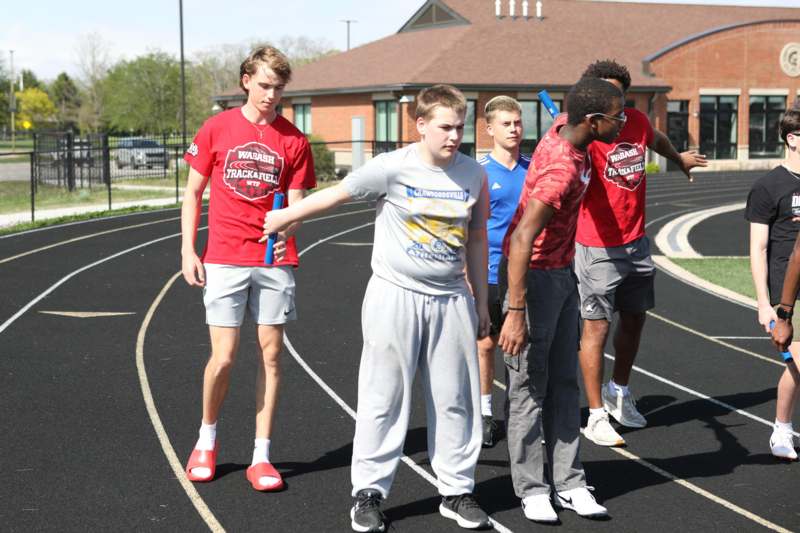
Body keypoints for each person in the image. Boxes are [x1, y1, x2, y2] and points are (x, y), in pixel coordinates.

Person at [263, 84, 492, 532]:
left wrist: (480, 300)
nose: (454, 136)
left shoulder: (473, 174)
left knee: (455, 400)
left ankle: (456, 490)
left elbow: (478, 237)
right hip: (395, 295)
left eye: (460, 128)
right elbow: (338, 193)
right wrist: (287, 216)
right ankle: (368, 493)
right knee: (383, 397)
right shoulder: (391, 167)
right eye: (445, 127)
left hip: (450, 298)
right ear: (421, 125)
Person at [180, 46, 316, 491]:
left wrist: (290, 223)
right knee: (223, 358)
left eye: (278, 88)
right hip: (224, 257)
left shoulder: (294, 140)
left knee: (271, 356)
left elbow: (297, 203)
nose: (271, 95)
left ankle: (261, 455)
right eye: (263, 86)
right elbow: (192, 193)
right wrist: (188, 250)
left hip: (274, 259)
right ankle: (206, 439)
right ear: (246, 81)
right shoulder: (217, 128)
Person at [498, 77, 622, 523]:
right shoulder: (561, 170)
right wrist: (516, 312)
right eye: (617, 117)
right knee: (530, 389)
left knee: (566, 384)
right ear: (593, 121)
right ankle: (533, 489)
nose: (622, 123)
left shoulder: (569, 129)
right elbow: (521, 239)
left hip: (563, 274)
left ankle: (569, 482)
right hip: (533, 280)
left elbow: (573, 112)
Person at [577, 60, 708, 447]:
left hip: (636, 242)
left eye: (617, 95)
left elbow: (657, 138)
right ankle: (595, 415)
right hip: (597, 245)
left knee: (634, 319)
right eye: (605, 94)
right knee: (596, 327)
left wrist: (678, 158)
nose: (613, 103)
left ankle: (618, 391)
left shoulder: (635, 121)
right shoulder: (582, 130)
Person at [476, 96, 529, 448]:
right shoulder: (479, 173)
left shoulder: (534, 169)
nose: (514, 129)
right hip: (489, 274)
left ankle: (521, 415)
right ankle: (484, 414)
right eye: (506, 124)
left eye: (518, 122)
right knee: (485, 344)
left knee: (521, 349)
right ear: (490, 129)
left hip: (524, 275)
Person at [751, 106, 800, 461]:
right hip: (787, 289)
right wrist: (763, 302)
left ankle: (782, 427)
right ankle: (781, 429)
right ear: (793, 139)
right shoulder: (768, 186)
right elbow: (759, 247)